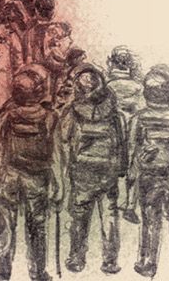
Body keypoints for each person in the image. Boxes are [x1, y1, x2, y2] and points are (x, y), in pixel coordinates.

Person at [124, 65, 169, 278]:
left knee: (150, 220)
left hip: (148, 177)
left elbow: (131, 150)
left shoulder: (138, 119)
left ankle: (148, 262)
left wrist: (131, 177)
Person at [57, 65, 128, 275]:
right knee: (109, 216)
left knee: (79, 217)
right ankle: (110, 261)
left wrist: (64, 169)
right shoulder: (115, 114)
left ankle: (76, 258)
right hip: (108, 172)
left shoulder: (72, 112)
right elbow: (123, 144)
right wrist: (121, 170)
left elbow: (62, 139)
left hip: (82, 173)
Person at [0, 65, 56, 281]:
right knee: (37, 226)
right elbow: (56, 153)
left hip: (9, 176)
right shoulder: (49, 117)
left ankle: (3, 271)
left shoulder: (6, 117)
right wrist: (58, 182)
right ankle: (37, 272)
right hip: (37, 177)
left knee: (5, 223)